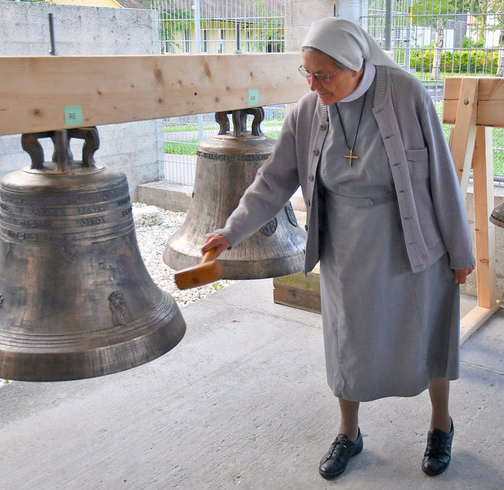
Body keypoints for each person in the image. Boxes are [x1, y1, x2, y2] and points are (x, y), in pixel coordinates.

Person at [201, 17, 475, 480]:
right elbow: (273, 180)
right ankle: (349, 432)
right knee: (347, 343)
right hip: (346, 244)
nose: (313, 84)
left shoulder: (407, 94)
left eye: (324, 75)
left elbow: (442, 177)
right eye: (306, 73)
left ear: (355, 66)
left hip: (411, 238)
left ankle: (439, 425)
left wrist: (460, 250)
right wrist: (232, 231)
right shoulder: (308, 109)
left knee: (428, 332)